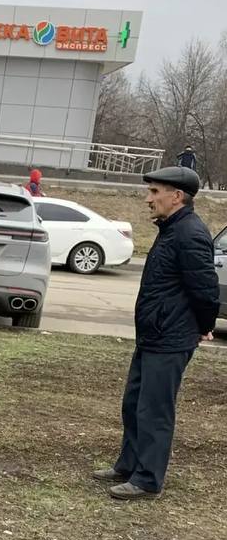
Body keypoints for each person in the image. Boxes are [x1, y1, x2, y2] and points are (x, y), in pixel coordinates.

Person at [93, 166, 219, 501]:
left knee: (154, 408)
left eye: (155, 192)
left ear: (176, 196)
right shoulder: (171, 229)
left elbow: (206, 291)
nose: (148, 199)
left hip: (171, 337)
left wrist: (204, 326)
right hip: (153, 334)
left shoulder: (190, 233)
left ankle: (147, 479)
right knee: (134, 403)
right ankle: (129, 464)